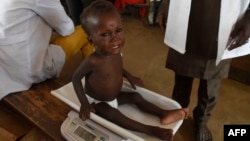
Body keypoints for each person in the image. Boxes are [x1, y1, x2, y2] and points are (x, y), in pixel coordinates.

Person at [72, 0, 188, 140]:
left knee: (135, 96)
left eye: (118, 30)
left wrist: (130, 76)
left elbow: (117, 67)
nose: (115, 39)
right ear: (91, 41)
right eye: (105, 34)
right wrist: (84, 104)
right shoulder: (93, 60)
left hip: (113, 96)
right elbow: (76, 78)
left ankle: (163, 113)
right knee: (113, 115)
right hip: (97, 102)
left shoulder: (115, 52)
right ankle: (151, 130)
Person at [158, 0, 250, 141]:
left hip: (222, 20)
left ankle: (201, 121)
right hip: (187, 15)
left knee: (210, 84)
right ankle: (177, 111)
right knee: (182, 74)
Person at [0, 0, 93, 99]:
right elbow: (67, 29)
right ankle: (93, 85)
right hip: (27, 69)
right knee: (86, 32)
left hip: (6, 68)